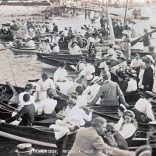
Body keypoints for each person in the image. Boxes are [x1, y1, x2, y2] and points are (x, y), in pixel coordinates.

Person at [67, 117, 141, 156]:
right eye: (104, 127)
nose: (105, 129)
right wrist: (130, 154)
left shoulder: (82, 131)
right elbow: (106, 149)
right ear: (98, 127)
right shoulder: (95, 136)